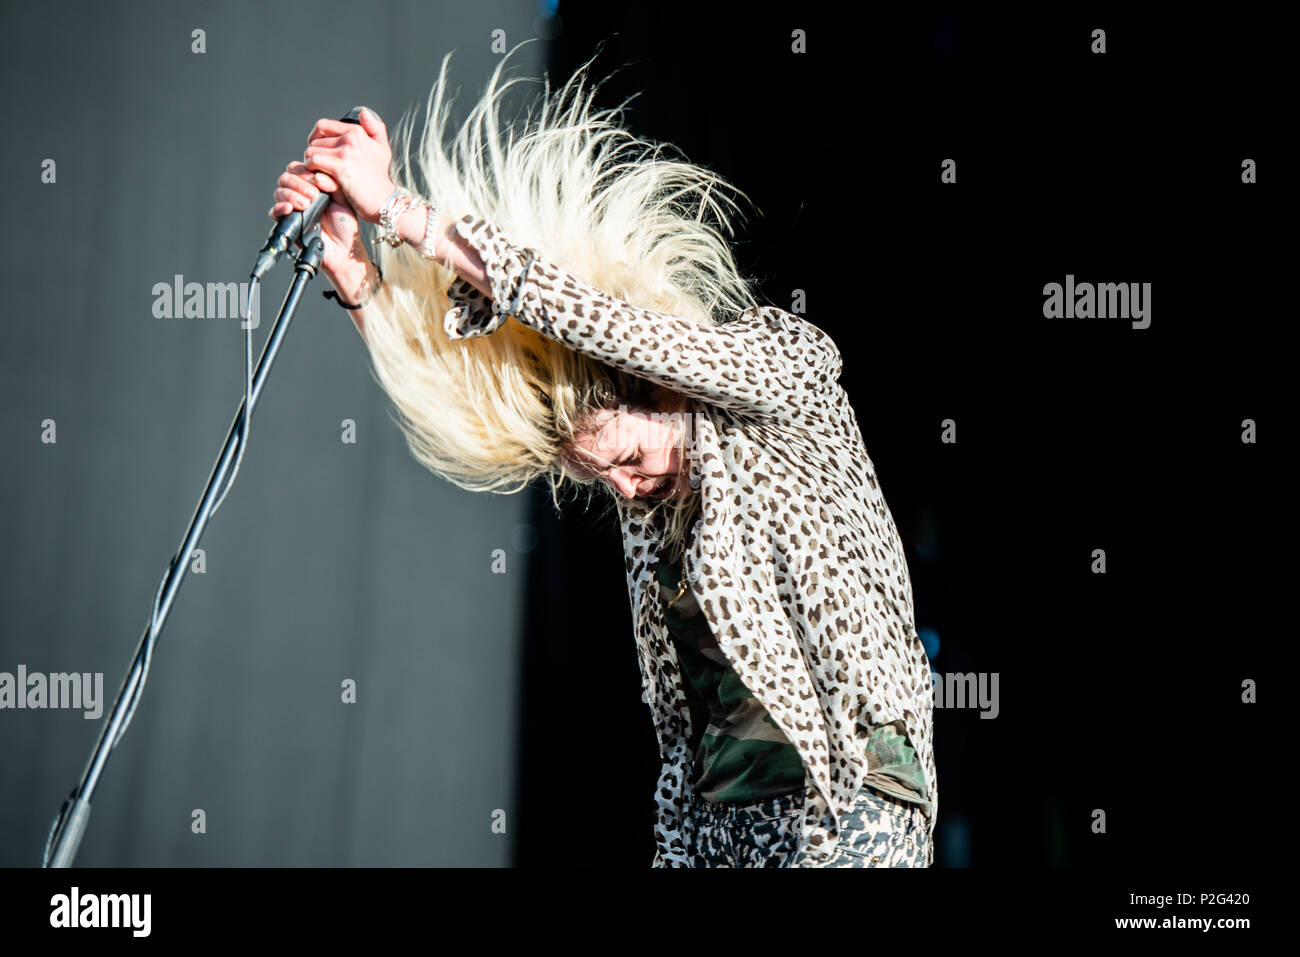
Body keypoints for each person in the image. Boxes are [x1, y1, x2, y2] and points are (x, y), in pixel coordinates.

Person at [268, 48, 936, 867]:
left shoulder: (782, 371)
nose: (623, 486)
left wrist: (404, 211)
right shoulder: (653, 511)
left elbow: (606, 324)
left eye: (622, 456)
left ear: (660, 388)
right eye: (603, 475)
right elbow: (471, 394)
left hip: (849, 807)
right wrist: (356, 274)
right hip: (723, 827)